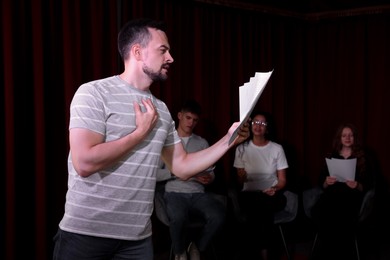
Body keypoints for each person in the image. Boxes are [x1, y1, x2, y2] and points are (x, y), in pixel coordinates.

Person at [52, 18, 249, 260]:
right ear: (137, 51)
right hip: (85, 236)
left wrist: (229, 139)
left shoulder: (162, 110)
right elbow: (84, 163)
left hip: (137, 241)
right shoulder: (93, 93)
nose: (171, 58)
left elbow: (182, 167)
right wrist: (139, 134)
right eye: (163, 50)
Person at [157, 99, 226, 260]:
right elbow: (154, 175)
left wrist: (210, 178)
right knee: (178, 218)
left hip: (198, 193)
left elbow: (211, 172)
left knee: (219, 216)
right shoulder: (166, 142)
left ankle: (196, 246)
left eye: (195, 120)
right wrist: (178, 173)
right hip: (174, 192)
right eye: (188, 118)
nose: (191, 123)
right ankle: (180, 252)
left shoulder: (202, 143)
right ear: (179, 116)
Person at [311, 123, 374, 259]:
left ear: (354, 138)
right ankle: (328, 252)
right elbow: (321, 181)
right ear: (339, 138)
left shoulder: (363, 158)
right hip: (332, 195)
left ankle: (341, 254)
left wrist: (357, 185)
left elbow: (369, 185)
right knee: (323, 211)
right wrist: (326, 182)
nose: (347, 138)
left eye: (350, 135)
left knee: (341, 215)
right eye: (344, 135)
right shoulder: (331, 155)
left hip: (351, 197)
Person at [233, 111, 288, 260]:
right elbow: (240, 181)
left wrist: (274, 188)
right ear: (250, 125)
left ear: (267, 129)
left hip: (272, 193)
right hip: (250, 195)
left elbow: (282, 180)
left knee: (261, 208)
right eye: (255, 122)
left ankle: (251, 253)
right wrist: (242, 177)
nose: (258, 126)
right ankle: (265, 253)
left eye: (262, 123)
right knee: (259, 208)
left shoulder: (277, 149)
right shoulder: (241, 148)